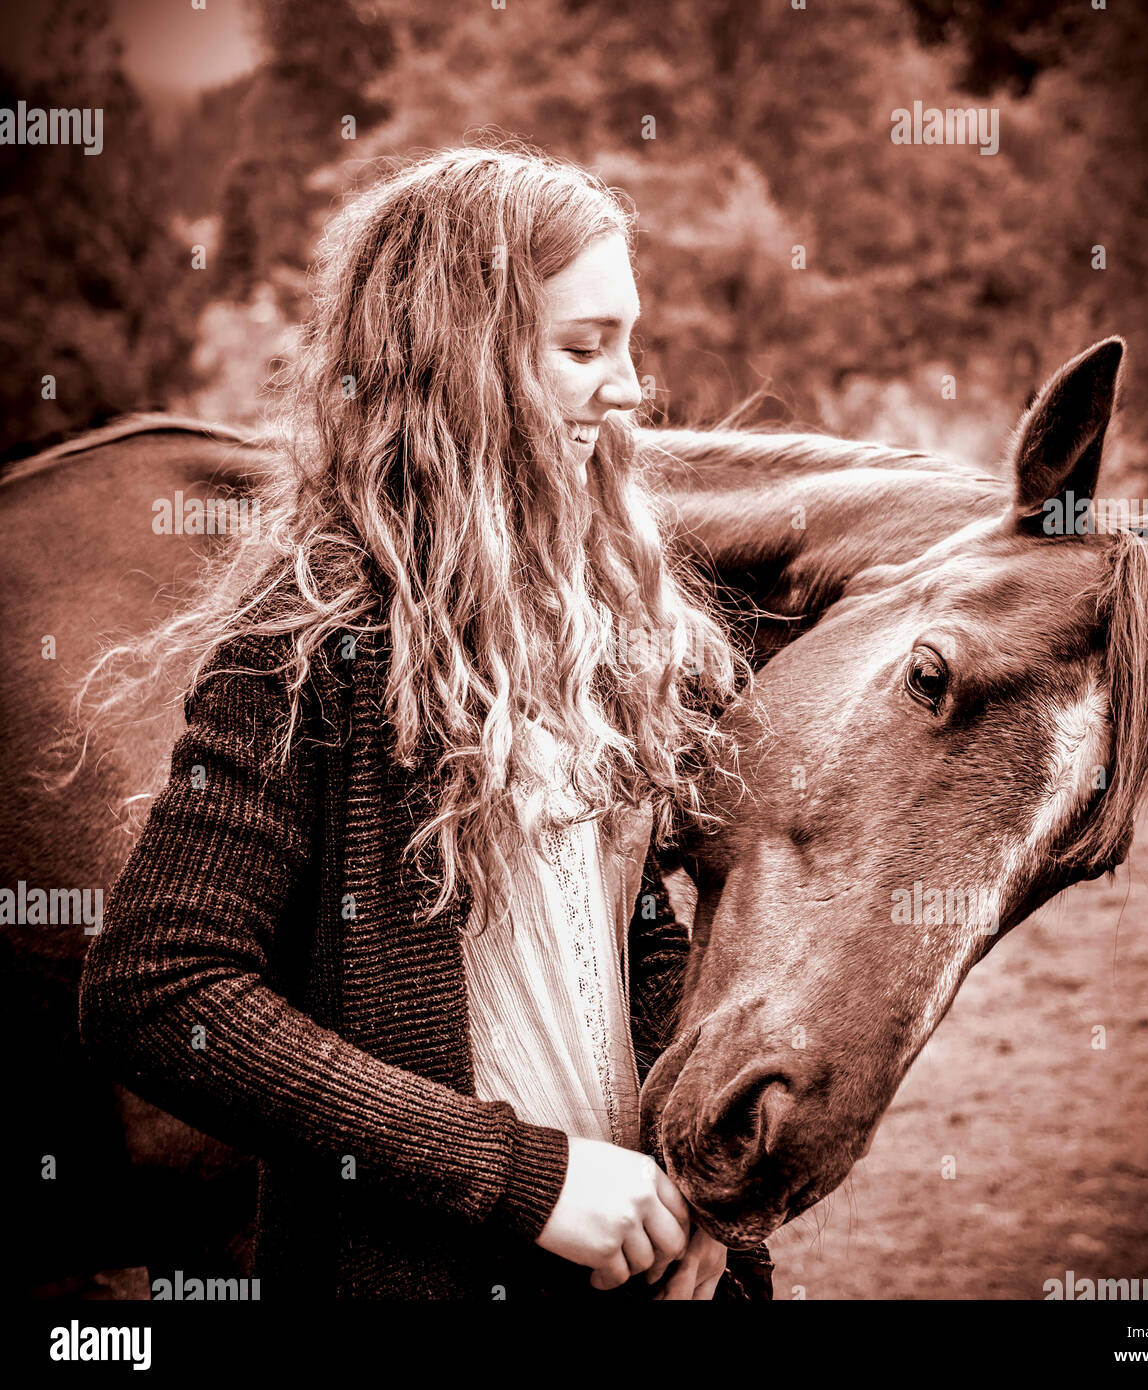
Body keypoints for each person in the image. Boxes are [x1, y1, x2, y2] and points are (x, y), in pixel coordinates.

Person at [76, 143, 774, 1300]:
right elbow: (157, 986)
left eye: (630, 342)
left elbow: (634, 925)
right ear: (469, 363)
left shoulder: (596, 609)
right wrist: (525, 1180)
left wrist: (696, 1188)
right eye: (584, 348)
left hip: (642, 1267)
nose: (632, 387)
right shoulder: (313, 636)